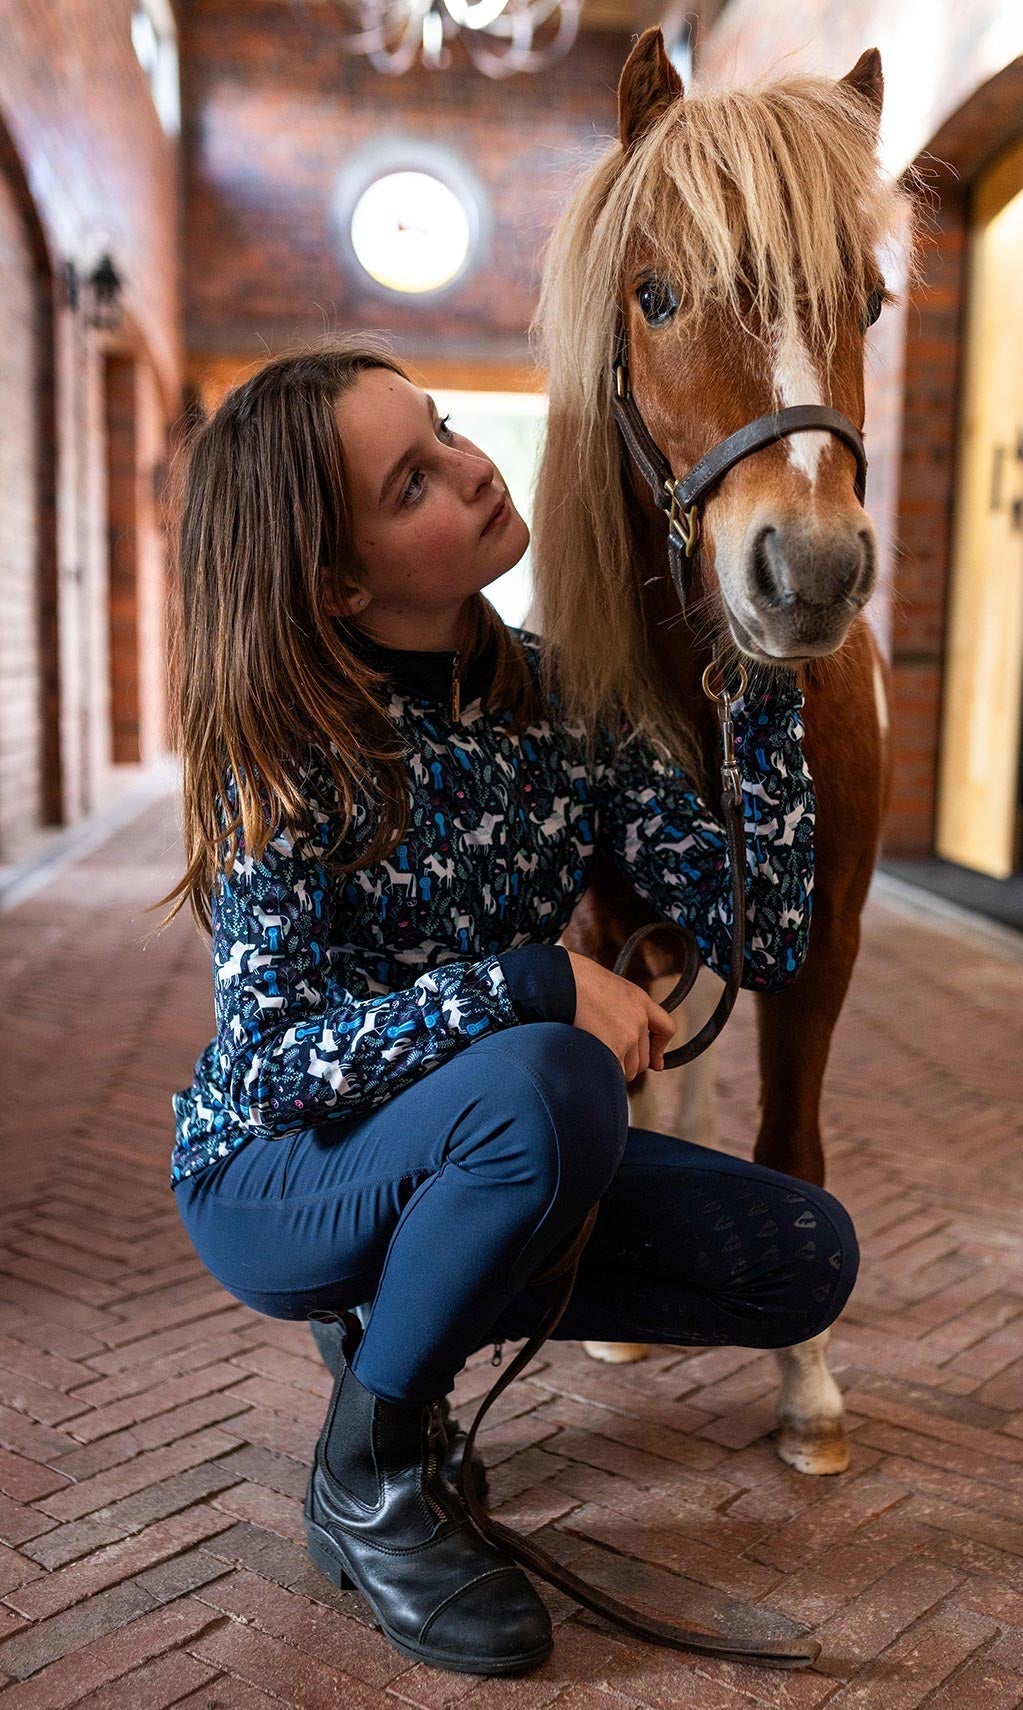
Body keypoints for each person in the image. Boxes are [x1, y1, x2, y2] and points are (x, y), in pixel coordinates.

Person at [152, 335, 859, 1679]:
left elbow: (763, 939)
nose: (472, 471)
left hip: (484, 1142)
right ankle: (370, 1474)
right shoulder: (282, 755)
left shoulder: (564, 702)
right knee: (550, 1080)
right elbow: (279, 1066)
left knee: (799, 1255)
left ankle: (411, 1304)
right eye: (412, 481)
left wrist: (760, 682)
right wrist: (535, 982)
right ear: (340, 581)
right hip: (276, 1172)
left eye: (449, 431)